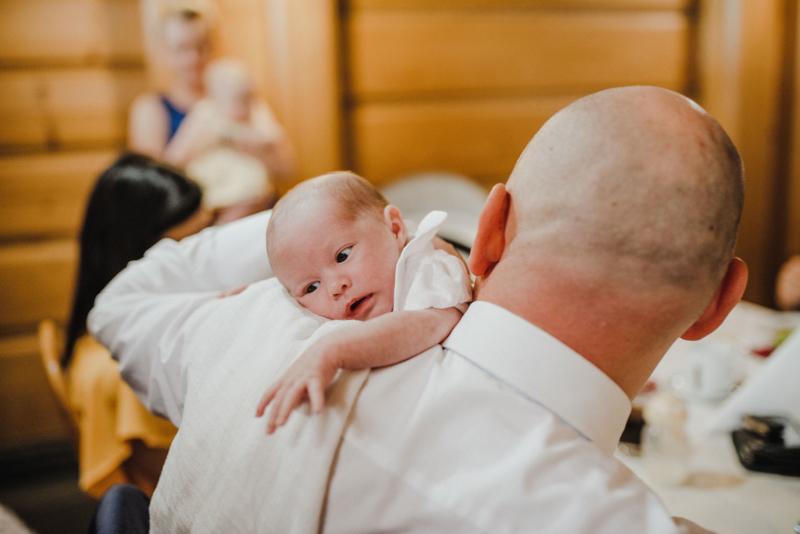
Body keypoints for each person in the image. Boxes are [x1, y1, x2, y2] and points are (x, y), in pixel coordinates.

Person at [88, 86, 747, 533]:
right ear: (716, 306)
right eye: (313, 283)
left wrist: (297, 247)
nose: (333, 292)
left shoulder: (257, 328)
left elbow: (120, 302)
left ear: (487, 231)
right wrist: (335, 239)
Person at [255, 172, 471, 433]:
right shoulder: (347, 263)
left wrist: (332, 351)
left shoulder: (428, 265)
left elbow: (432, 322)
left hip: (460, 229)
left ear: (394, 229)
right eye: (312, 286)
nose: (336, 287)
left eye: (343, 256)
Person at [63, 153, 212, 498]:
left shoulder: (98, 335)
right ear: (139, 254)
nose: (208, 253)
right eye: (191, 244)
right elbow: (188, 486)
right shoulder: (133, 374)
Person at [174, 58, 292, 223]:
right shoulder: (204, 113)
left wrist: (256, 142)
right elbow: (177, 156)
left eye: (249, 98)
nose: (246, 106)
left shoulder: (256, 112)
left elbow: (274, 139)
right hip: (212, 188)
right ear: (214, 98)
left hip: (248, 191)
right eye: (238, 100)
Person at [128, 8, 211, 159]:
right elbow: (149, 179)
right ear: (165, 52)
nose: (193, 58)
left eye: (200, 47)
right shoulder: (151, 109)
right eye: (182, 48)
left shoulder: (234, 101)